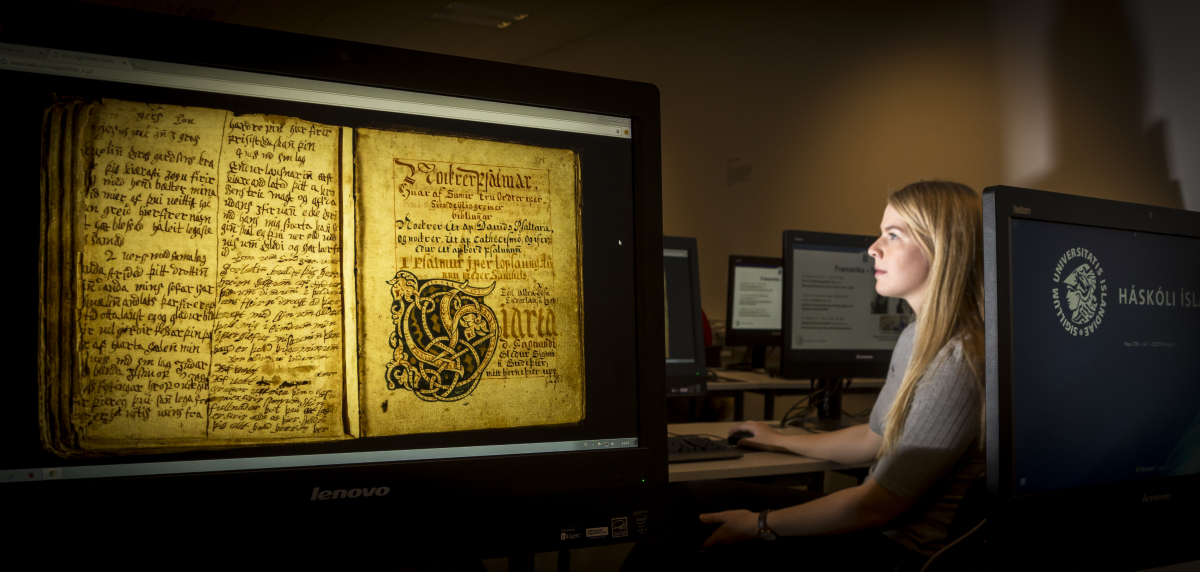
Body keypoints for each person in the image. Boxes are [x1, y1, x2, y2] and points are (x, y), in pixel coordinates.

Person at [622, 181, 986, 571]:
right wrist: (780, 441)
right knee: (688, 499)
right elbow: (872, 439)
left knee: (694, 515)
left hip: (897, 551)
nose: (873, 248)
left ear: (942, 248)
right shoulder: (917, 337)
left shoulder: (958, 359)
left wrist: (759, 524)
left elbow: (876, 507)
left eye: (893, 235)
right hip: (876, 525)